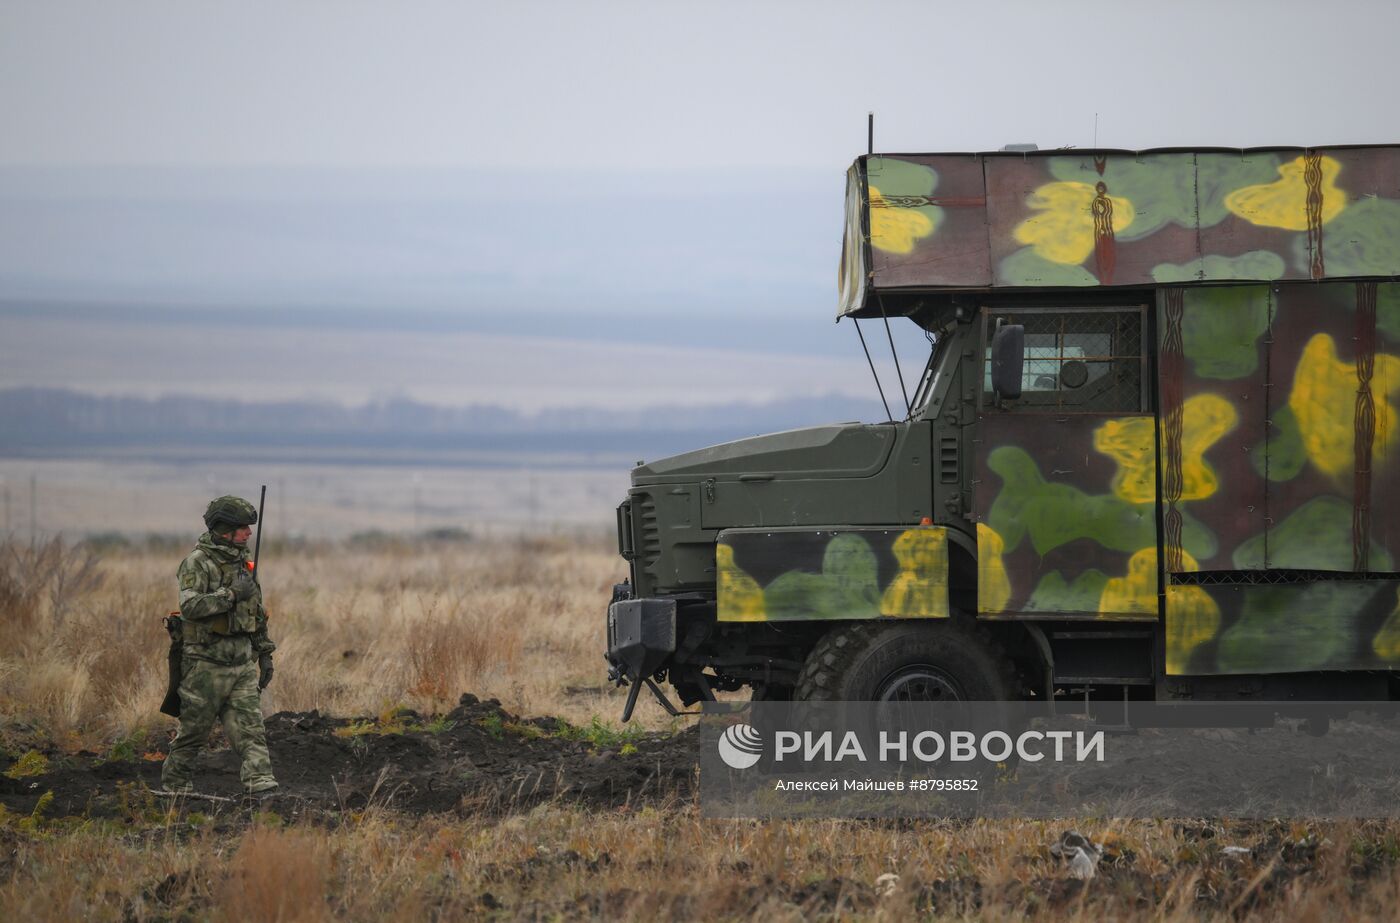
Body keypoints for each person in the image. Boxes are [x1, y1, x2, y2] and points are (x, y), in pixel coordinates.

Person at [160, 495, 278, 794]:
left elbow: (257, 612)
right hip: (205, 666)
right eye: (242, 528)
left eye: (250, 528)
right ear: (224, 529)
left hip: (241, 665)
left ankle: (262, 787)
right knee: (193, 733)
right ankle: (175, 790)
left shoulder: (245, 564)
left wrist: (264, 653)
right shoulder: (197, 563)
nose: (249, 533)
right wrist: (230, 595)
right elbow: (190, 607)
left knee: (251, 731)